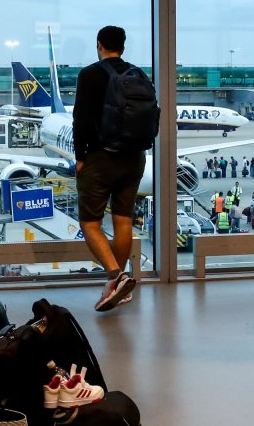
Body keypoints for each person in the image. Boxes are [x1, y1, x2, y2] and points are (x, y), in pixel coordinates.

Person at [74, 25, 148, 312]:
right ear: (124, 47)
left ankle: (116, 276)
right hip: (135, 157)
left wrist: (81, 157)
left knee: (91, 223)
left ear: (99, 45)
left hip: (101, 158)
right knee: (123, 221)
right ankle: (120, 287)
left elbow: (81, 118)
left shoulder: (90, 74)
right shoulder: (138, 74)